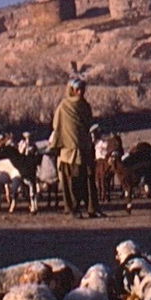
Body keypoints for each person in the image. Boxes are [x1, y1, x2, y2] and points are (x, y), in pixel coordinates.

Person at [50, 75, 99, 218]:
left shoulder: (85, 106)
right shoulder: (63, 107)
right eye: (78, 89)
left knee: (89, 179)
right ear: (72, 90)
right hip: (68, 150)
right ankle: (73, 209)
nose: (80, 92)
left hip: (85, 147)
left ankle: (92, 208)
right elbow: (57, 126)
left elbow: (89, 124)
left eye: (82, 89)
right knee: (72, 181)